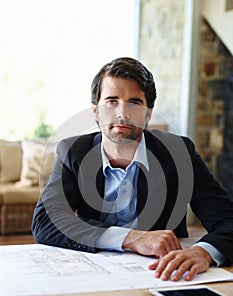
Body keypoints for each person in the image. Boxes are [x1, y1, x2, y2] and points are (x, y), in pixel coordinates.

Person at [32, 57, 233, 282]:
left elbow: (228, 221)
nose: (122, 113)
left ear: (148, 113)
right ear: (96, 111)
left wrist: (203, 251)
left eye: (134, 102)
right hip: (91, 274)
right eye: (111, 101)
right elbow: (46, 221)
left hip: (162, 275)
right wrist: (133, 238)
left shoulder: (180, 153)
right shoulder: (73, 151)